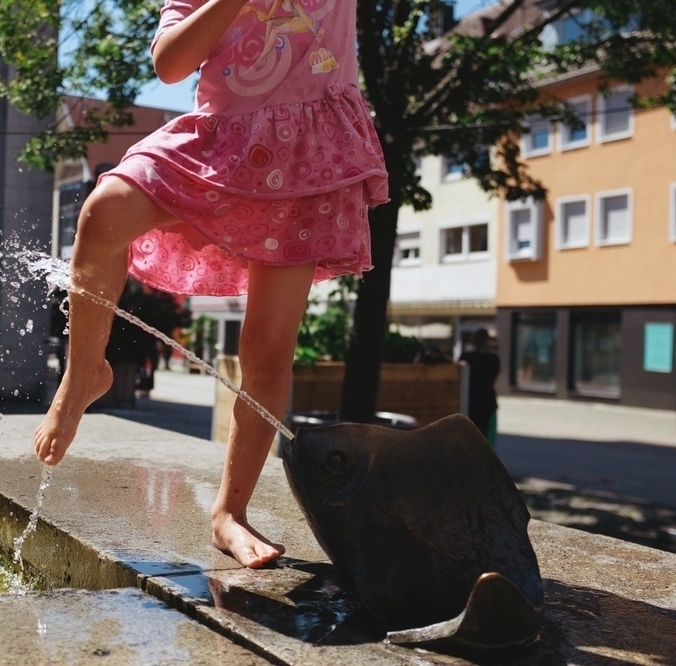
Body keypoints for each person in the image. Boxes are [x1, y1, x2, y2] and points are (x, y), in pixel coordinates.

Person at [34, 0, 388, 568]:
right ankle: (84, 374)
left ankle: (230, 513)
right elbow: (171, 65)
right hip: (220, 146)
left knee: (267, 353)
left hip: (307, 159)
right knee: (104, 211)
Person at [459, 329, 500, 446]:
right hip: (488, 402)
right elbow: (494, 379)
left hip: (470, 401)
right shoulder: (494, 359)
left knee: (470, 438)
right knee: (486, 439)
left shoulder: (467, 357)